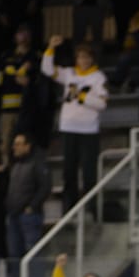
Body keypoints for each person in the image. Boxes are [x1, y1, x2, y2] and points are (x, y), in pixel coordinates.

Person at [42, 35, 109, 208]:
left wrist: (82, 96)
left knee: (89, 171)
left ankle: (91, 206)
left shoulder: (98, 77)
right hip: (68, 127)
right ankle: (69, 206)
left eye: (86, 57)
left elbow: (102, 103)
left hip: (89, 130)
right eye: (80, 57)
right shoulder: (69, 73)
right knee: (68, 170)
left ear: (92, 58)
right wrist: (50, 48)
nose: (83, 60)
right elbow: (47, 70)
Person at [7, 134, 51, 262]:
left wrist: (32, 206)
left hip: (29, 216)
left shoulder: (37, 163)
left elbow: (45, 187)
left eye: (18, 144)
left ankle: (35, 276)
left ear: (27, 146)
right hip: (14, 214)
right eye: (14, 144)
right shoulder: (16, 165)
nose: (14, 147)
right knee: (14, 253)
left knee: (32, 252)